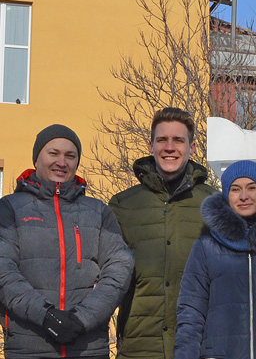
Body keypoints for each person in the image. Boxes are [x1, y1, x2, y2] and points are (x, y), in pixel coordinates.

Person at [0, 124, 134, 359]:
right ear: (37, 158)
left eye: (70, 156)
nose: (62, 162)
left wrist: (83, 319)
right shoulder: (10, 208)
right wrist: (46, 316)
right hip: (28, 347)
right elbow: (3, 272)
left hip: (88, 347)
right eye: (53, 153)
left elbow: (120, 268)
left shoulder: (98, 211)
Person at [109, 108, 216, 359]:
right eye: (162, 140)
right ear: (151, 145)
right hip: (139, 348)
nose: (170, 147)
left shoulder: (213, 204)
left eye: (178, 140)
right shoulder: (122, 206)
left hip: (198, 346)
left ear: (191, 146)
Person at [174, 160, 256, 359]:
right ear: (227, 194)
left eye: (251, 188)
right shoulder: (206, 246)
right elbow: (191, 311)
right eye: (235, 189)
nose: (244, 196)